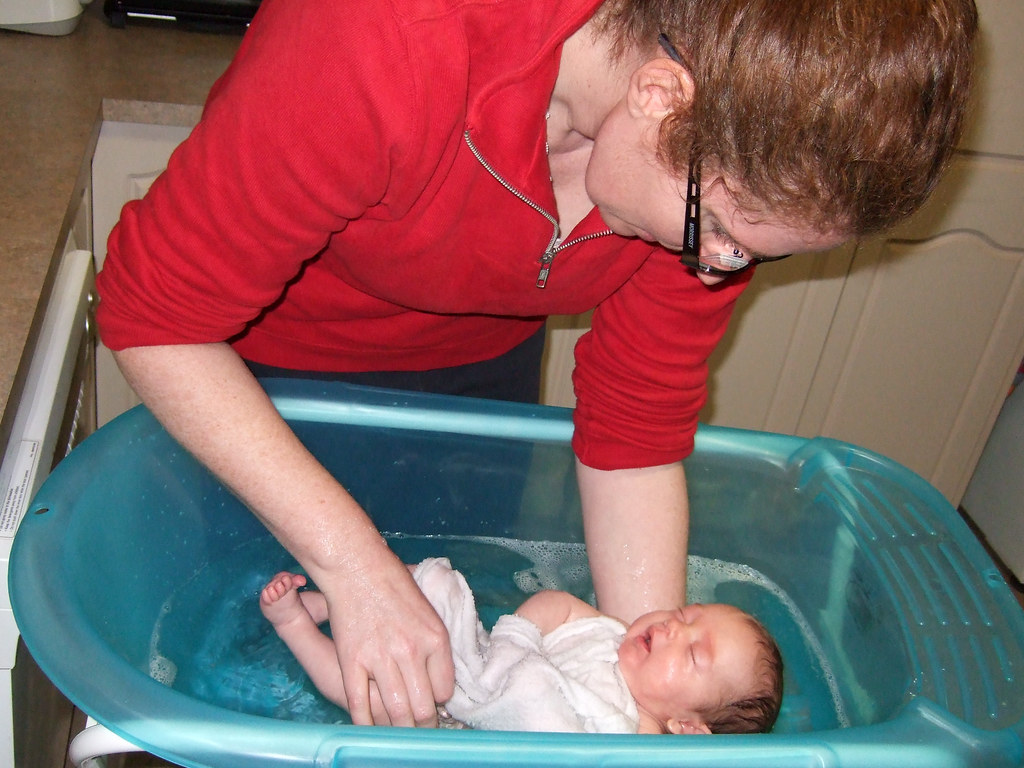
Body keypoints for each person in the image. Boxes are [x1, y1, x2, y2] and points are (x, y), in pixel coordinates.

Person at [94, 0, 978, 729]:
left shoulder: (709, 171)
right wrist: (353, 566)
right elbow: (150, 311)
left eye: (756, 255)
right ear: (664, 96)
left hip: (476, 384)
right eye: (726, 235)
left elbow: (634, 423)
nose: (718, 271)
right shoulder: (384, 35)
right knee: (244, 645)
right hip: (251, 383)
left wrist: (629, 715)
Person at [260, 559, 783, 734]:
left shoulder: (636, 741)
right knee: (439, 584)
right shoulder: (610, 632)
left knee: (374, 698)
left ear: (687, 726)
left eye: (693, 654)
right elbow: (556, 603)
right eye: (685, 614)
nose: (672, 627)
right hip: (481, 664)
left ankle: (294, 626)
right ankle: (338, 600)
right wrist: (514, 639)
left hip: (457, 722)